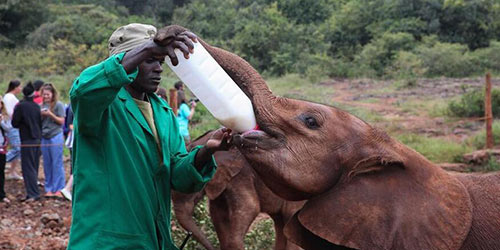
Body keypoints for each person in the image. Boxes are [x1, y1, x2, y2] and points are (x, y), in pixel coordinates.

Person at [68, 23, 232, 249]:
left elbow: (178, 176)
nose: (159, 68)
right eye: (149, 60)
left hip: (153, 240)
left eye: (160, 61)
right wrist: (148, 48)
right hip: (106, 242)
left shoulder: (163, 113)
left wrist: (206, 151)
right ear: (129, 60)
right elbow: (83, 91)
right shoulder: (100, 106)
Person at [11, 82, 42, 202]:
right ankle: (34, 193)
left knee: (28, 168)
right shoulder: (36, 106)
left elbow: (14, 123)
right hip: (37, 139)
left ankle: (33, 194)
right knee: (34, 166)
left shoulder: (20, 106)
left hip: (27, 139)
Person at [40, 83, 66, 198]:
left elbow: (61, 121)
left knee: (57, 163)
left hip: (56, 135)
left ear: (52, 94)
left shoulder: (58, 105)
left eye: (47, 94)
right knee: (47, 163)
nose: (45, 96)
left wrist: (50, 114)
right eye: (44, 94)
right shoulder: (40, 106)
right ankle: (49, 188)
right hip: (44, 136)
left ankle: (59, 188)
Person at [3, 80, 22, 181]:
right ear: (15, 87)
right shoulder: (9, 97)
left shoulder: (10, 97)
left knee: (19, 149)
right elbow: (10, 112)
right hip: (11, 126)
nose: (21, 89)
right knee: (17, 148)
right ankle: (3, 161)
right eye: (20, 87)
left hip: (14, 126)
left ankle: (12, 171)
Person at [60, 104, 73, 201]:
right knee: (78, 165)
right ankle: (68, 188)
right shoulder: (73, 106)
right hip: (74, 138)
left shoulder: (71, 104)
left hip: (72, 138)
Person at [0, 96, 11, 203]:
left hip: (1, 148)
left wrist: (1, 122)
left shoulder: (5, 116)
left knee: (1, 172)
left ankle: (1, 195)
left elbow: (9, 129)